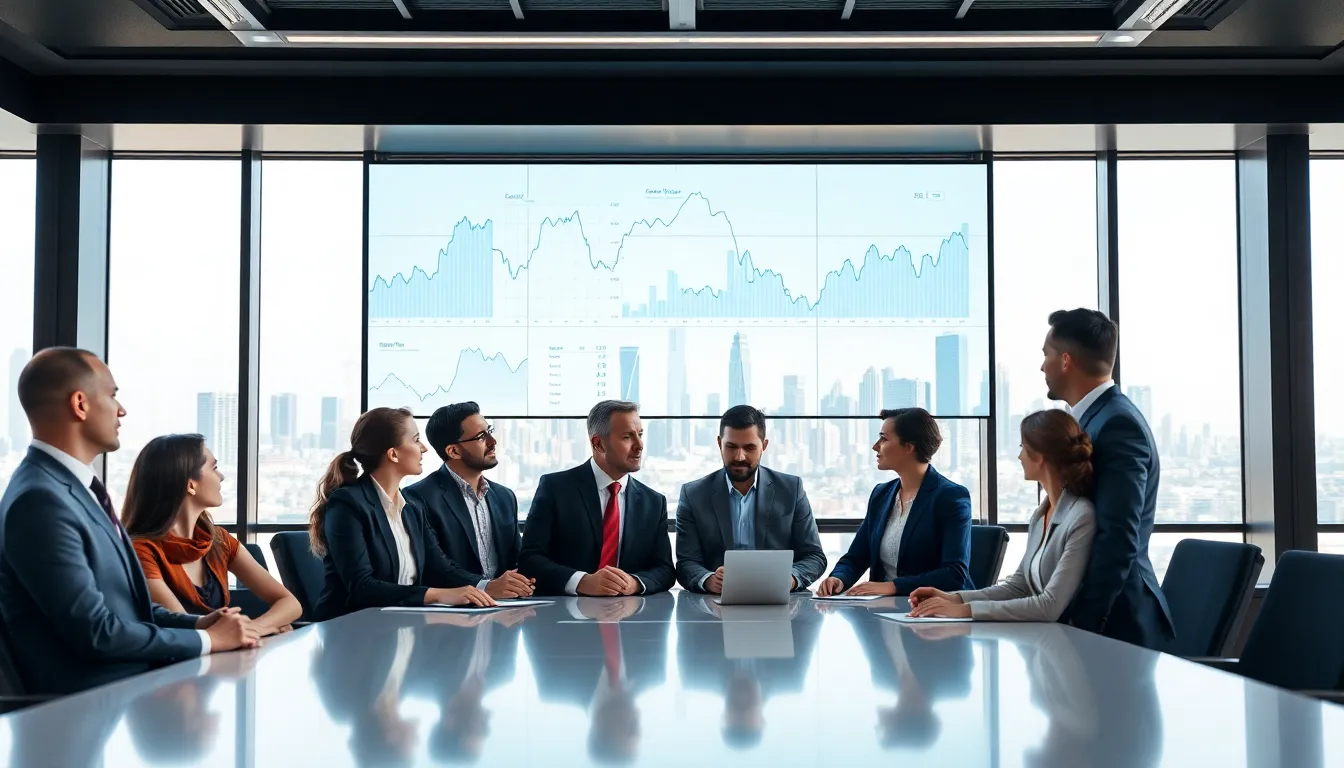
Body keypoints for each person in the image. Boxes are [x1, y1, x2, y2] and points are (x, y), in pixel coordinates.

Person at [0, 348, 258, 695]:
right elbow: (96, 632)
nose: (122, 410)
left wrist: (197, 623)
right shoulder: (40, 501)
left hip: (129, 690)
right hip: (89, 706)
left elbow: (129, 608)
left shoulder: (76, 490)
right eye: (112, 395)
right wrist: (207, 640)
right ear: (80, 404)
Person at [1040, 308, 1174, 649]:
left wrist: (1082, 622)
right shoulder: (1094, 420)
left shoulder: (1117, 425)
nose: (1042, 366)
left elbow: (1118, 536)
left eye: (1046, 355)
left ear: (1066, 360)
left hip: (1117, 622)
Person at [909, 410, 1097, 621]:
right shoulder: (1040, 513)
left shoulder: (1081, 516)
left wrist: (964, 611)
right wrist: (955, 599)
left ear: (1040, 456)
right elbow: (1019, 586)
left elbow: (1049, 605)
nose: (1019, 456)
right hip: (1038, 638)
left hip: (1065, 641)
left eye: (1022, 448)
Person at [309, 407, 495, 620]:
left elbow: (442, 570)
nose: (424, 448)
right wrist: (437, 595)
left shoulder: (412, 508)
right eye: (416, 440)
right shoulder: (348, 504)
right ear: (393, 454)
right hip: (350, 629)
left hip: (401, 626)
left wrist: (486, 587)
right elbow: (362, 587)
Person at [122, 434, 302, 635]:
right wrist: (268, 626)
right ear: (190, 485)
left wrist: (254, 629)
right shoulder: (141, 551)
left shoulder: (219, 540)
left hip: (223, 658)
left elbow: (290, 603)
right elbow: (185, 630)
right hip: (179, 664)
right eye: (214, 468)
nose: (222, 476)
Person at [519, 400, 675, 596]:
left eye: (640, 434)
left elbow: (665, 570)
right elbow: (530, 560)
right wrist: (582, 582)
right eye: (628, 437)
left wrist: (635, 583)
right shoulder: (556, 489)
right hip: (563, 616)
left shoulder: (653, 502)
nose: (640, 445)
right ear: (598, 444)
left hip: (630, 617)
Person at [816, 408, 973, 597]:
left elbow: (954, 574)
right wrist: (838, 578)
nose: (875, 446)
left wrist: (893, 586)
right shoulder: (881, 494)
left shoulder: (951, 496)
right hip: (884, 609)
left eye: (884, 438)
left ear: (909, 447)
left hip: (935, 610)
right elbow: (857, 557)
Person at [674, 405, 826, 593]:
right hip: (715, 606)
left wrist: (791, 579)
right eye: (731, 447)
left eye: (749, 447)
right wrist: (708, 580)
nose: (739, 456)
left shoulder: (791, 490)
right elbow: (686, 562)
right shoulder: (693, 494)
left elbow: (814, 557)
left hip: (778, 602)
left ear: (764, 445)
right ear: (719, 443)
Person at [404, 401, 532, 599]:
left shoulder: (505, 497)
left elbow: (517, 560)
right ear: (453, 451)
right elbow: (435, 567)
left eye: (489, 430)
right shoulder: (419, 498)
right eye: (481, 436)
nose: (492, 441)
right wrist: (486, 587)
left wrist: (522, 582)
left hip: (506, 612)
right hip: (450, 615)